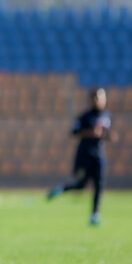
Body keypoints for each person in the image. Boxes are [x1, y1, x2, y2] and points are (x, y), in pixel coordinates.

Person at [47, 88, 117, 225]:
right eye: (96, 98)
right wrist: (91, 133)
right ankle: (61, 189)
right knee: (80, 185)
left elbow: (106, 134)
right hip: (85, 156)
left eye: (102, 98)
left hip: (99, 156)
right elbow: (74, 132)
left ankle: (94, 215)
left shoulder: (107, 116)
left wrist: (108, 136)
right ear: (91, 99)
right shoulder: (84, 117)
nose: (99, 100)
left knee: (99, 185)